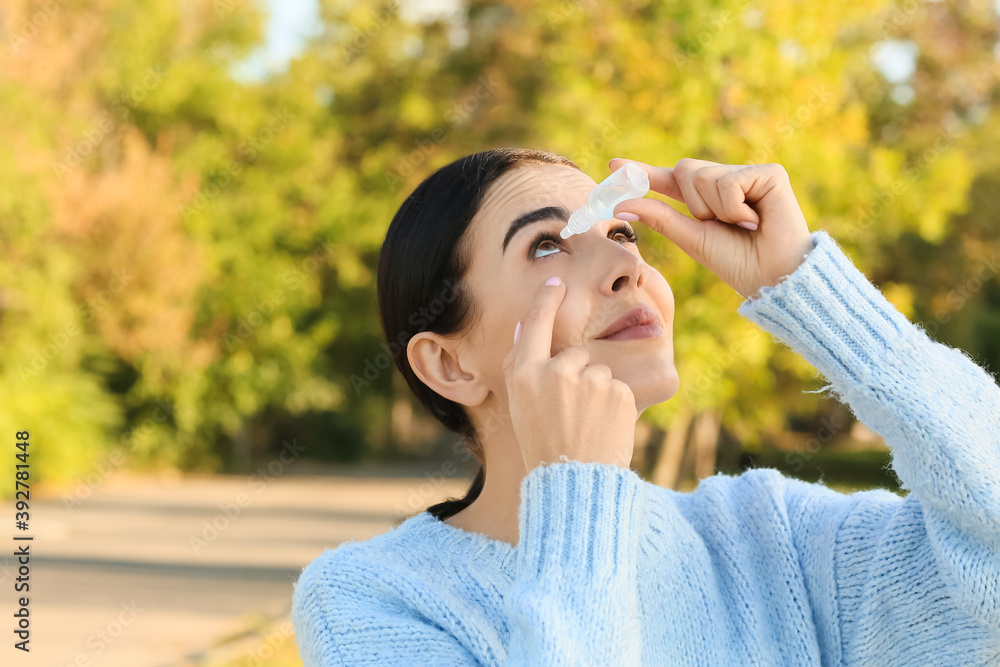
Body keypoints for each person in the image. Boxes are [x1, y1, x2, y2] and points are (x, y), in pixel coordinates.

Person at [291, 148, 1000, 665]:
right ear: (450, 362)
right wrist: (575, 493)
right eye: (546, 246)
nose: (628, 264)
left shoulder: (772, 536)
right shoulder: (375, 598)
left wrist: (813, 294)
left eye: (621, 232)